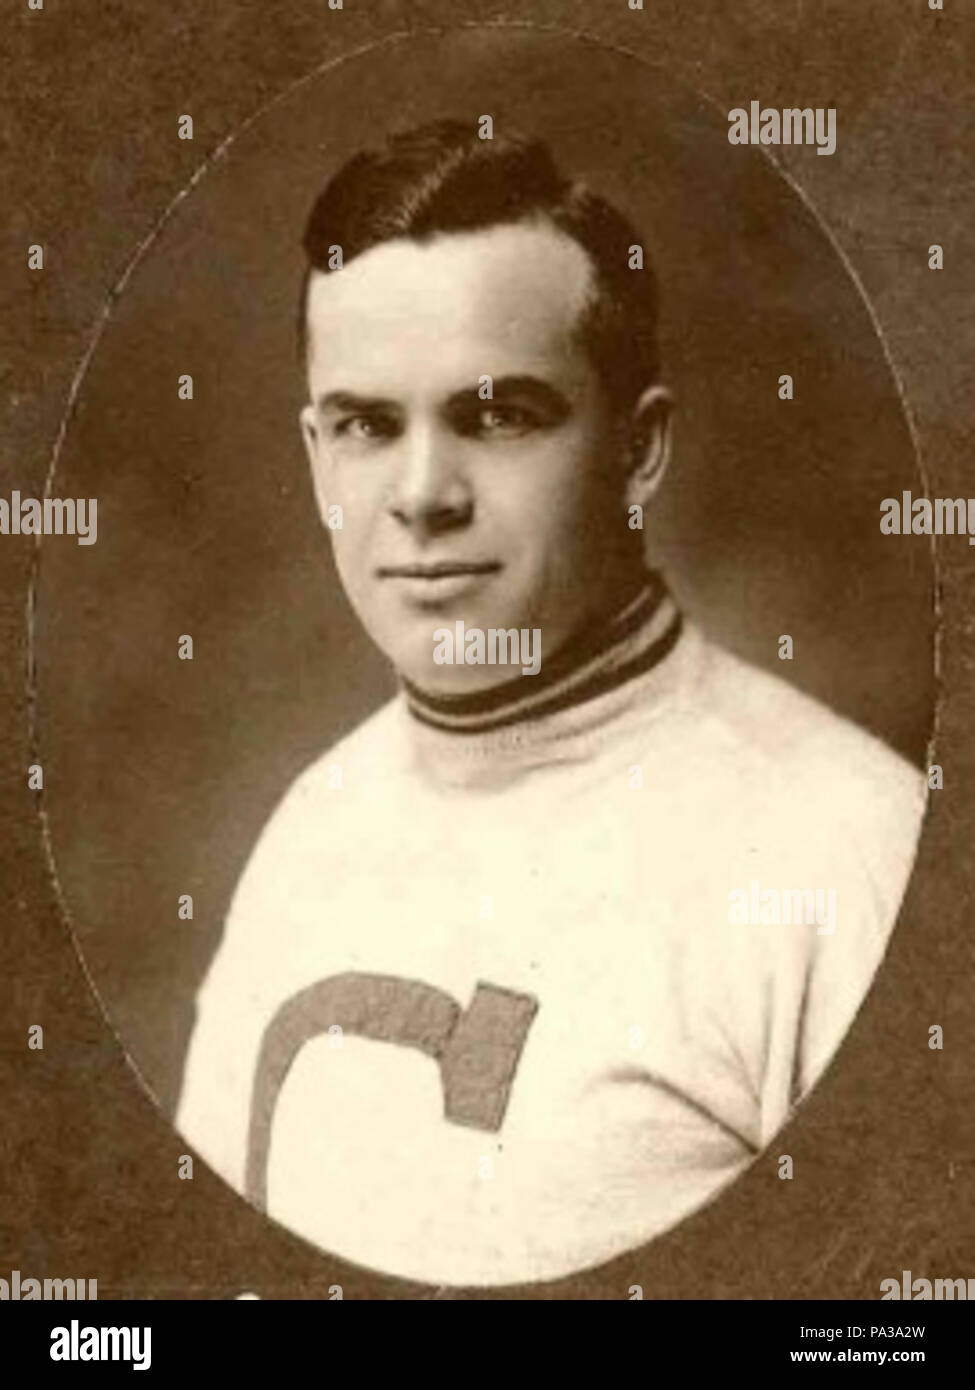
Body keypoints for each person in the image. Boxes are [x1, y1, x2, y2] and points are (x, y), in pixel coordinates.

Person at [175, 118, 926, 1286]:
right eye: (369, 426)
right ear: (319, 454)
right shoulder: (308, 826)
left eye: (498, 416)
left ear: (639, 451)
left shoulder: (855, 862)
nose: (422, 495)